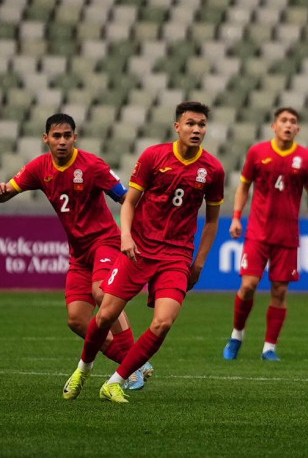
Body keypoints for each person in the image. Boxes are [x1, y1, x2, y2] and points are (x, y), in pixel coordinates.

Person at [62, 101, 225, 404]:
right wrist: (126, 237)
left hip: (177, 256)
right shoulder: (154, 156)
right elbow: (129, 201)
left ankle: (116, 382)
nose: (196, 129)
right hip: (140, 249)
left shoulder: (213, 169)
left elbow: (213, 221)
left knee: (163, 322)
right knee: (106, 315)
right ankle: (83, 369)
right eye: (190, 123)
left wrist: (198, 264)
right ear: (177, 127)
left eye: (201, 124)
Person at [0, 113, 150, 390]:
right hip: (79, 254)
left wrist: (136, 229)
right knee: (78, 320)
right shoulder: (39, 168)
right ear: (46, 138)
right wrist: (3, 191)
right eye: (56, 136)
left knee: (102, 292)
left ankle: (133, 368)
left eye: (67, 136)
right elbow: (9, 190)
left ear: (75, 138)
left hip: (105, 241)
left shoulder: (92, 165)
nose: (62, 141)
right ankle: (131, 361)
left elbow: (125, 196)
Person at [223, 107, 308, 362]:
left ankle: (269, 347)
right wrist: (236, 216)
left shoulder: (307, 158)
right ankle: (237, 335)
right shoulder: (257, 152)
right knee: (248, 286)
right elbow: (244, 185)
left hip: (287, 236)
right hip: (258, 232)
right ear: (274, 126)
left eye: (293, 121)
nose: (288, 125)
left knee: (279, 291)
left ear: (298, 129)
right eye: (284, 120)